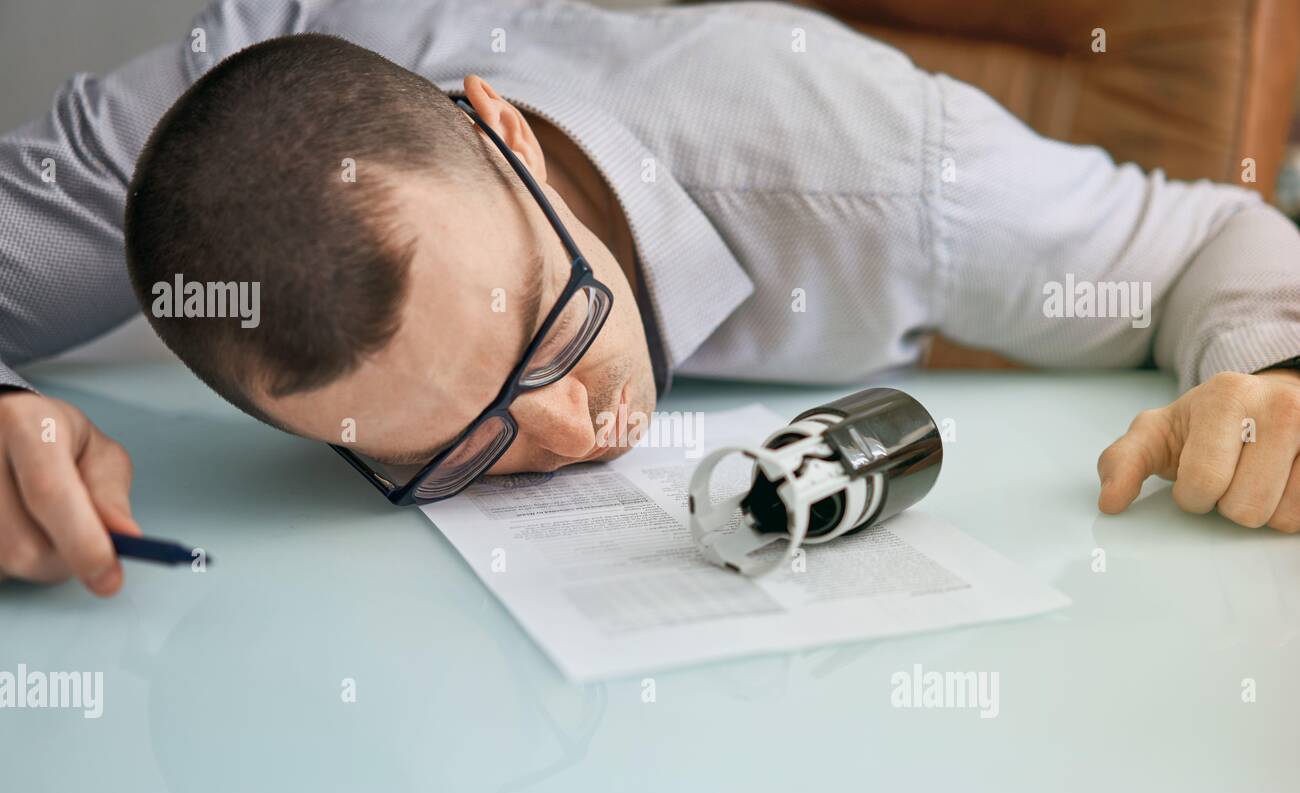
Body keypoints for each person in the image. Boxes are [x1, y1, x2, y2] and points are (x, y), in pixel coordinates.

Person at [2, 0, 1298, 597]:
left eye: (548, 326)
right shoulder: (183, 149)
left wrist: (1274, 380)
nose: (574, 431)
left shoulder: (881, 167)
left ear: (503, 135)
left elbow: (1201, 243)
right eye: (459, 442)